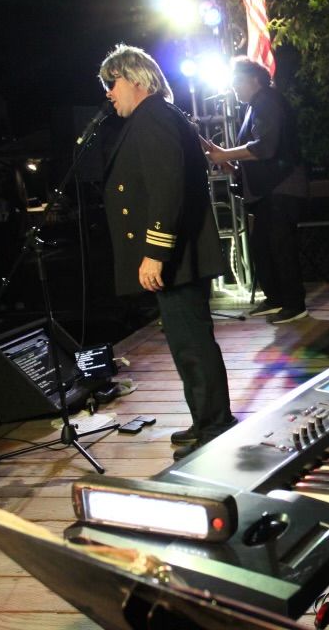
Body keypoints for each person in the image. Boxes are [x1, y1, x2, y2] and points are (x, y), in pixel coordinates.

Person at [98, 44, 236, 460]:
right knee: (187, 341)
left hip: (177, 256)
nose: (108, 93)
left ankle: (215, 425)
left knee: (191, 342)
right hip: (181, 254)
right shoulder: (159, 114)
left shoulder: (153, 115)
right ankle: (207, 418)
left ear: (135, 78)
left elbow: (166, 187)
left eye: (112, 82)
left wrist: (154, 251)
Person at [204, 57, 308, 324]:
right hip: (268, 189)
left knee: (280, 247)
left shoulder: (267, 101)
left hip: (282, 186)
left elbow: (266, 147)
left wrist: (225, 153)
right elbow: (258, 155)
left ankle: (295, 304)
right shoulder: (256, 105)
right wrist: (229, 165)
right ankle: (276, 298)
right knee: (263, 246)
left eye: (237, 82)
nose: (234, 88)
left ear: (255, 80)